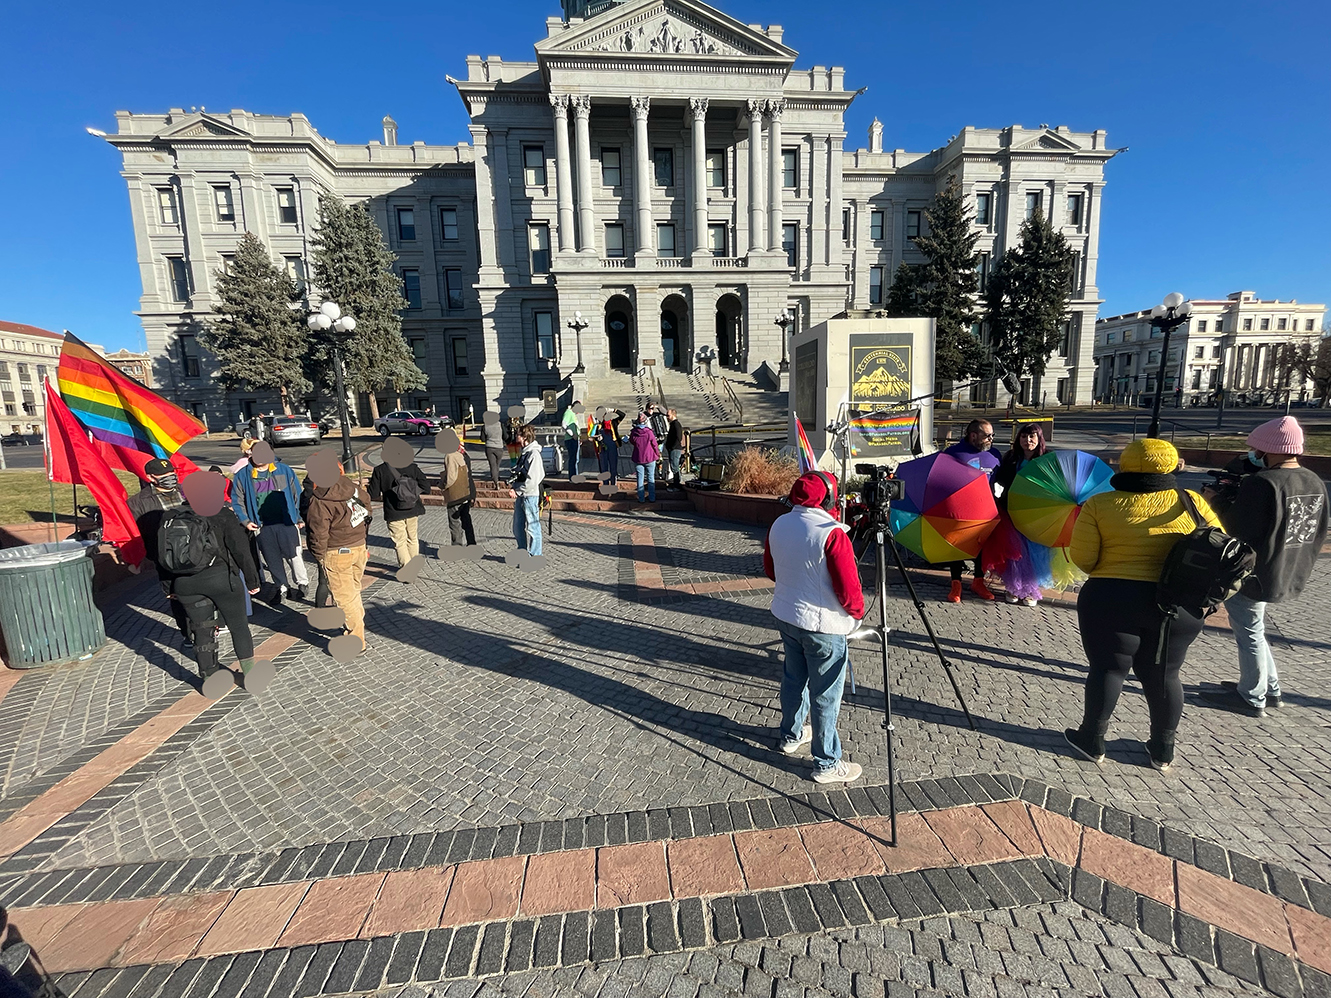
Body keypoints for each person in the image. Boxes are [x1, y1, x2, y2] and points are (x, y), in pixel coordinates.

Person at [1065, 438, 1223, 772]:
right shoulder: (1192, 502)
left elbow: (1085, 559)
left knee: (1108, 668)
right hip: (1177, 605)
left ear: (1125, 464)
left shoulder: (1100, 505)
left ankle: (1092, 739)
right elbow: (1220, 551)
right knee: (1166, 675)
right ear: (1171, 466)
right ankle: (1162, 748)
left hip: (1111, 597)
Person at [1200, 417, 1328, 717]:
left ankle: (1252, 696)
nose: (1253, 453)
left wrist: (1215, 500)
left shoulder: (1263, 483)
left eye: (1256, 448)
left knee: (1249, 631)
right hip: (1291, 566)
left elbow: (1236, 527)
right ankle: (1269, 687)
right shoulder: (1313, 480)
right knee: (1254, 628)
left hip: (1256, 570)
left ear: (1270, 450)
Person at [763, 471, 866, 784]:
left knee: (794, 678)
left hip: (787, 614)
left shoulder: (779, 523)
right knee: (826, 694)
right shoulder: (832, 532)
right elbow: (849, 589)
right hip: (822, 625)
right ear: (830, 498)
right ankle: (826, 762)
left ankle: (791, 735)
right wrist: (857, 615)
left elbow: (770, 570)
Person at [162, 474, 263, 698]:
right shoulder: (223, 514)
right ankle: (250, 675)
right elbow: (240, 550)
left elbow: (163, 556)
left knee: (201, 630)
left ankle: (209, 678)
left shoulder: (170, 517)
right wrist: (252, 579)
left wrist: (169, 587)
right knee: (238, 626)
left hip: (185, 583)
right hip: (222, 579)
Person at [306, 459, 372, 654]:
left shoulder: (320, 500)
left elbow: (318, 532)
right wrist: (362, 535)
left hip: (336, 551)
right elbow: (367, 510)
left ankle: (356, 639)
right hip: (358, 546)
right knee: (353, 591)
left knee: (344, 598)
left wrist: (318, 555)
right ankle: (355, 626)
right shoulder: (353, 488)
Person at [986, 424, 1054, 607]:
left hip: (1037, 513)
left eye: (1032, 436)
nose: (1027, 440)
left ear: (1039, 439)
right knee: (1015, 550)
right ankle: (1013, 586)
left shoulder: (1047, 459)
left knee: (1033, 551)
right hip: (1012, 510)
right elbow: (998, 479)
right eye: (1023, 437)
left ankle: (1031, 589)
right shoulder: (1010, 458)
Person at [127, 458, 193, 644]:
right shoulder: (138, 502)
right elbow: (135, 532)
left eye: (172, 473)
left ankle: (205, 627)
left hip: (195, 549)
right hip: (165, 556)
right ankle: (187, 632)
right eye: (163, 475)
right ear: (150, 477)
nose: (170, 477)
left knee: (200, 589)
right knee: (176, 594)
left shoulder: (186, 491)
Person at [230, 446, 307, 606]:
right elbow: (237, 500)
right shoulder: (243, 475)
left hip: (287, 522)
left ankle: (302, 583)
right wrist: (245, 520)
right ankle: (282, 587)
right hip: (261, 525)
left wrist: (299, 517)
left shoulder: (284, 470)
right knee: (272, 559)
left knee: (294, 555)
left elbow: (296, 494)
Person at [942, 419, 1003, 602]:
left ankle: (978, 581)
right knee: (957, 545)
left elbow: (1001, 479)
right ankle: (956, 584)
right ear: (973, 435)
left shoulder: (995, 454)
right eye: (987, 436)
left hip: (986, 509)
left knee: (981, 546)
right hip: (959, 509)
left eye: (992, 435)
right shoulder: (952, 453)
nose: (991, 439)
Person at [367, 447, 432, 568]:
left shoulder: (380, 470)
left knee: (400, 542)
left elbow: (373, 494)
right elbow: (426, 487)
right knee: (412, 538)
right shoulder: (412, 467)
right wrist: (411, 491)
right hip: (412, 508)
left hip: (393, 511)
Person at [509, 424, 545, 557]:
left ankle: (536, 555)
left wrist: (518, 491)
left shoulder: (534, 454)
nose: (516, 437)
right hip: (522, 495)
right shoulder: (525, 452)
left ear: (524, 437)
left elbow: (533, 479)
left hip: (530, 496)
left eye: (518, 434)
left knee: (533, 527)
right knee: (518, 527)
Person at [299, 471, 332, 608]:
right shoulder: (323, 496)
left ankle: (320, 607)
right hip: (330, 539)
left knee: (322, 577)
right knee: (334, 578)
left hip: (314, 538)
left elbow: (303, 513)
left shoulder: (305, 496)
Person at [443, 435, 478, 546]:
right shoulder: (463, 453)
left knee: (454, 521)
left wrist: (443, 486)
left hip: (456, 493)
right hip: (467, 490)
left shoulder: (450, 455)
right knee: (466, 518)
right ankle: (472, 543)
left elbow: (451, 477)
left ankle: (457, 546)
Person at [630, 412, 661, 503]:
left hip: (638, 457)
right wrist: (657, 453)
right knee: (651, 478)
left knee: (640, 478)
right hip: (650, 457)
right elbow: (654, 444)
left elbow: (632, 441)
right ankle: (652, 497)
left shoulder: (634, 432)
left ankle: (641, 498)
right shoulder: (649, 432)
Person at [596, 408, 626, 483]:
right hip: (603, 449)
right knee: (604, 468)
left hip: (612, 447)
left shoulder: (613, 422)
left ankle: (613, 483)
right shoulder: (598, 425)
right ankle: (605, 484)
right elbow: (593, 436)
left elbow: (623, 415)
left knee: (613, 467)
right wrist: (598, 438)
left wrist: (614, 410)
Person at [482, 413, 506, 486]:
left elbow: (482, 438)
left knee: (492, 465)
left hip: (489, 447)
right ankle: (497, 476)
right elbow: (505, 436)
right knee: (497, 464)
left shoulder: (485, 426)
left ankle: (496, 481)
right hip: (499, 447)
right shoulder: (500, 425)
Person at [664, 409, 686, 490]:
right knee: (674, 466)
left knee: (675, 467)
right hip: (672, 449)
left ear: (673, 415)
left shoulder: (676, 424)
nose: (667, 417)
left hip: (675, 449)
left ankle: (677, 485)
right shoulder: (673, 424)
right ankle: (676, 483)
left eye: (668, 415)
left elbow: (679, 437)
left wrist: (672, 446)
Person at [561, 402, 583, 480]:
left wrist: (578, 437)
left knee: (575, 459)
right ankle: (573, 477)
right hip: (571, 439)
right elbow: (564, 424)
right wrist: (572, 434)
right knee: (573, 459)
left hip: (575, 439)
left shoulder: (572, 414)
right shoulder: (568, 413)